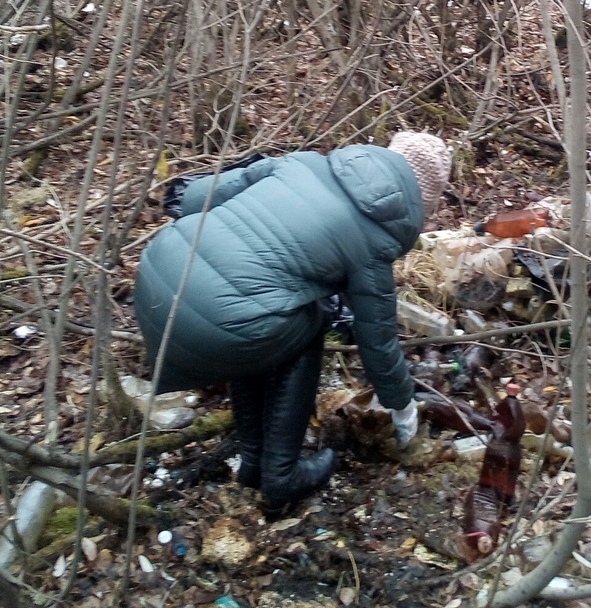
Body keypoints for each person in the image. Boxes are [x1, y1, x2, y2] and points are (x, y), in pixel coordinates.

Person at [133, 131, 451, 518]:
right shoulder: (376, 240)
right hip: (213, 324)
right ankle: (281, 476)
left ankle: (253, 462)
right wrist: (403, 408)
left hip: (156, 276)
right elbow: (378, 341)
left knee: (259, 316)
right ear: (421, 199)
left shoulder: (303, 162)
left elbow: (198, 197)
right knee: (302, 325)